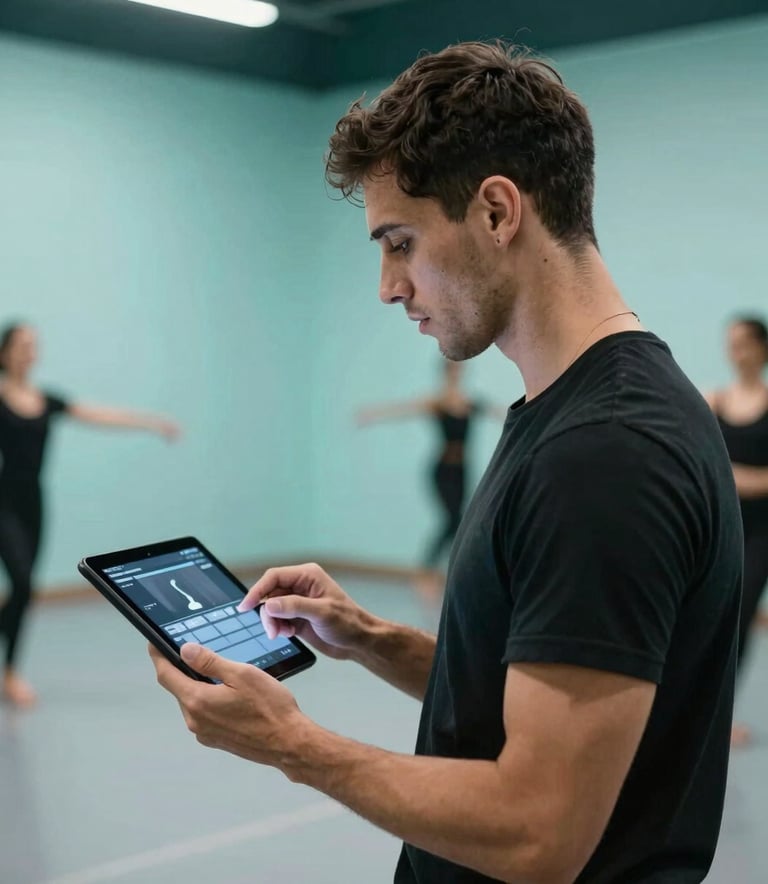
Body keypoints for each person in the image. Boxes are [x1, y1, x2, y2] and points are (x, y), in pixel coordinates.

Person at [150, 42, 742, 883]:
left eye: (399, 241)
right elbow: (529, 700)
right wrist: (369, 638)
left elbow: (539, 832)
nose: (389, 286)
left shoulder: (606, 454)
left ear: (498, 212)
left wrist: (292, 745)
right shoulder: (576, 411)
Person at [0, 322, 179, 707]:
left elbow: (98, 415)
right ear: (5, 352)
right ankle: (11, 675)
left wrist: (150, 422)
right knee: (23, 584)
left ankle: (10, 667)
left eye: (34, 344)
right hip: (3, 502)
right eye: (22, 344)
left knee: (23, 591)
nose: (29, 351)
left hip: (34, 502)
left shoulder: (46, 400)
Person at [358, 360, 506, 589]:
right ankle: (426, 573)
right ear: (445, 373)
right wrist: (373, 415)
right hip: (441, 470)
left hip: (462, 470)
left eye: (459, 370)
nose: (456, 374)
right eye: (452, 370)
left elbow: (503, 414)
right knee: (451, 519)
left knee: (458, 522)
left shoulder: (471, 403)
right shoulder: (437, 403)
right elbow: (404, 410)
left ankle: (454, 574)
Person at [705, 316, 768, 747]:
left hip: (761, 533)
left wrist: (737, 477)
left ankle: (720, 717)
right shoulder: (715, 401)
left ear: (762, 348)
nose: (736, 351)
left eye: (744, 343)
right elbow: (701, 463)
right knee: (707, 619)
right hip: (720, 528)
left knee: (740, 620)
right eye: (731, 343)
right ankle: (697, 712)